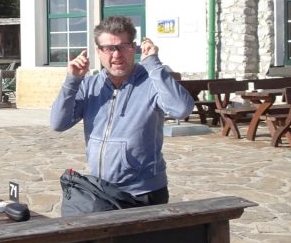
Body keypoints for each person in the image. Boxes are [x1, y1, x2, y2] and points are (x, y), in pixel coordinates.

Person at [49, 16, 194, 214]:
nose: (116, 55)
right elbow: (58, 123)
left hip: (144, 193)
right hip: (102, 190)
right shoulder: (90, 85)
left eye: (123, 46)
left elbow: (181, 109)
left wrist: (153, 64)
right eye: (108, 48)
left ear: (133, 48)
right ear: (99, 52)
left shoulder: (151, 82)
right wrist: (72, 81)